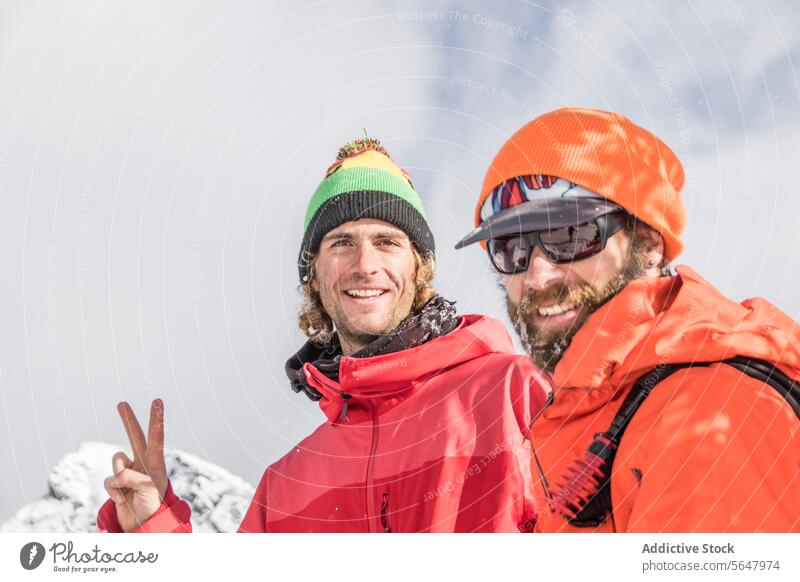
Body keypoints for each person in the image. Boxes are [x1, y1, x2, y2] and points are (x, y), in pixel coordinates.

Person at [97, 138, 551, 533]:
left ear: (420, 267)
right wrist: (152, 530)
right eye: (341, 243)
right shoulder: (284, 488)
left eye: (387, 242)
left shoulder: (514, 394)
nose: (364, 264)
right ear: (313, 275)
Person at [455, 107, 800, 532]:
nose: (537, 274)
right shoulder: (598, 408)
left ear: (650, 244)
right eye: (511, 249)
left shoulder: (704, 414)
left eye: (571, 235)